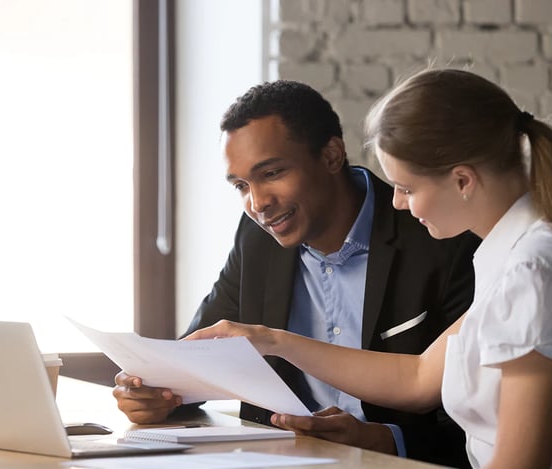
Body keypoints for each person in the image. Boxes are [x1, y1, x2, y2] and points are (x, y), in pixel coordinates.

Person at [186, 69, 552, 468]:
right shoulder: (512, 256)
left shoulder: (535, 271)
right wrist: (273, 341)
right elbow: (419, 378)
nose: (397, 203)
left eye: (406, 187)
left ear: (462, 180)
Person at [113, 80, 481, 467]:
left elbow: (482, 419)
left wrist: (387, 439)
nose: (258, 204)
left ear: (332, 155)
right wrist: (155, 392)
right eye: (241, 185)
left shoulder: (441, 240)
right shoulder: (256, 241)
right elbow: (200, 353)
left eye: (271, 173)